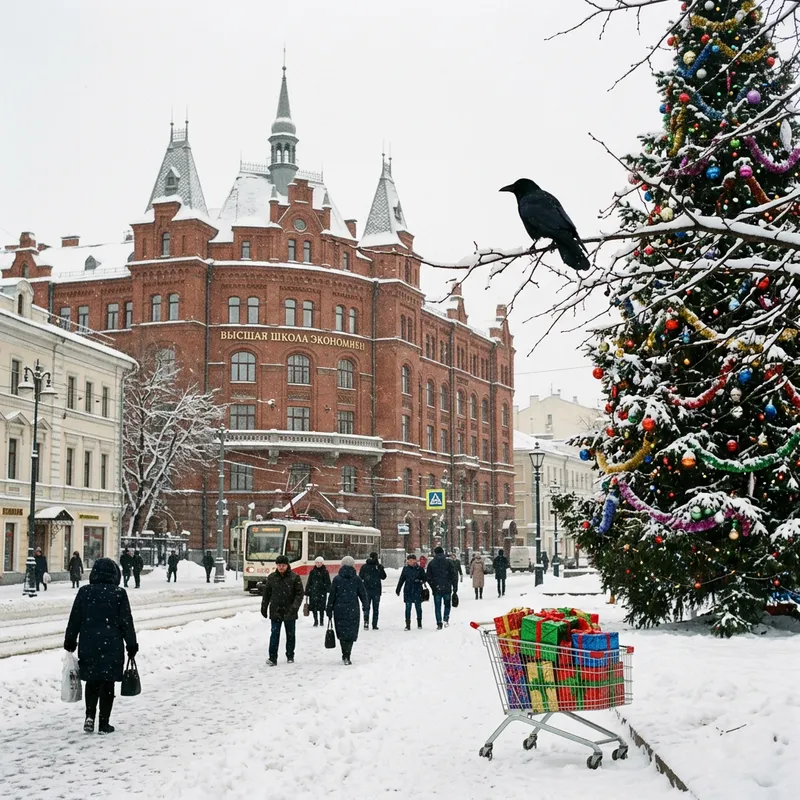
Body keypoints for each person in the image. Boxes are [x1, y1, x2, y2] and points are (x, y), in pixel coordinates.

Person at [63, 557, 138, 734]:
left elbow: (75, 619)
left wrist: (70, 640)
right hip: (112, 645)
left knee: (92, 681)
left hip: (89, 643)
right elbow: (126, 622)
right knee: (107, 683)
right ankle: (104, 724)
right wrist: (132, 645)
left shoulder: (84, 592)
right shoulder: (119, 593)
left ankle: (89, 716)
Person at [260, 554, 304, 666]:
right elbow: (266, 594)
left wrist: (294, 607)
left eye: (283, 565)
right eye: (279, 565)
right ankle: (272, 658)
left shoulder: (294, 577)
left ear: (287, 565)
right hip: (276, 610)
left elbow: (299, 594)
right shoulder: (271, 578)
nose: (281, 567)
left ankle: (290, 655)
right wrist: (264, 607)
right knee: (274, 634)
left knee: (290, 634)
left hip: (290, 611)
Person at [326, 556, 368, 665]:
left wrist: (329, 609)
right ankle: (348, 654)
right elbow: (363, 594)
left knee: (342, 632)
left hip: (339, 609)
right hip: (353, 609)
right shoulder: (357, 579)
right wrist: (365, 606)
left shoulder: (336, 579)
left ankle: (344, 653)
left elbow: (332, 596)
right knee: (351, 632)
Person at [426, 546, 458, 630]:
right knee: (447, 605)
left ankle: (439, 622)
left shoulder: (431, 563)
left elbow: (428, 577)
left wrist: (433, 586)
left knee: (437, 606)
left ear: (435, 553)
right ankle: (446, 619)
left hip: (436, 589)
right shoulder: (449, 562)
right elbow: (454, 575)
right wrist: (454, 587)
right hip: (447, 587)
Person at [396, 553, 428, 631]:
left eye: (411, 560)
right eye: (408, 560)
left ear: (414, 561)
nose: (409, 562)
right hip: (408, 590)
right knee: (408, 608)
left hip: (417, 590)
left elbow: (425, 578)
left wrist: (420, 580)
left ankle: (419, 623)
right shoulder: (405, 569)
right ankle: (407, 624)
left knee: (418, 608)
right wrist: (398, 589)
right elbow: (402, 579)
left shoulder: (420, 569)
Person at [359, 551, 386, 630]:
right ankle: (374, 624)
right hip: (375, 590)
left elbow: (361, 577)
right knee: (375, 608)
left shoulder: (365, 566)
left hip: (368, 590)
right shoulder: (376, 566)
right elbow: (383, 577)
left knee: (367, 607)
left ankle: (366, 622)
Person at [305, 556, 331, 626]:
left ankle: (321, 621)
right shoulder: (312, 572)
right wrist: (307, 591)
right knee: (314, 608)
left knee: (322, 608)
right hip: (313, 592)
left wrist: (328, 589)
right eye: (317, 562)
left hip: (322, 592)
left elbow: (328, 582)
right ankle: (316, 621)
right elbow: (309, 582)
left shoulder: (325, 572)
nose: (318, 564)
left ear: (322, 563)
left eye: (319, 563)